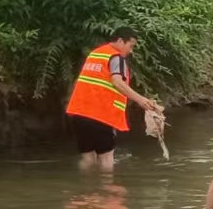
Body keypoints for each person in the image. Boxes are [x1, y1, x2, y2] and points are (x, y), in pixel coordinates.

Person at [64, 27, 161, 172]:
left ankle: (85, 189)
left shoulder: (95, 54)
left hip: (80, 114)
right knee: (107, 159)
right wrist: (141, 100)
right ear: (121, 41)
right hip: (101, 116)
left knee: (87, 159)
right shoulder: (116, 58)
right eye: (131, 46)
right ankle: (106, 190)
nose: (131, 51)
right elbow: (117, 82)